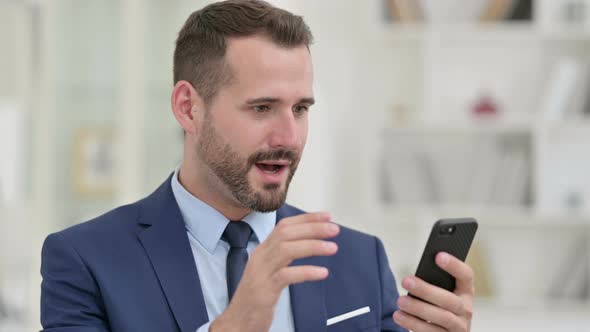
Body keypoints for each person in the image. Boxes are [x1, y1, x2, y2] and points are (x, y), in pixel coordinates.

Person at [40, 1, 474, 331]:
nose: (288, 138)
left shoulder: (359, 258)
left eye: (301, 108)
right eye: (262, 107)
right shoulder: (85, 262)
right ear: (188, 108)